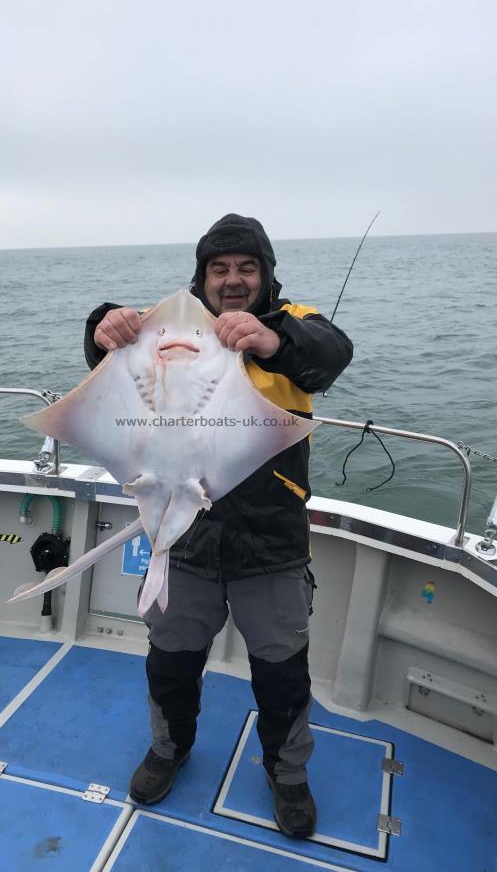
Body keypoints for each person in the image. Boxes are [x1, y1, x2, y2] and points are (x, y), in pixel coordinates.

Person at [84, 214, 353, 839]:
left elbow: (330, 353)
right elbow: (107, 353)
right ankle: (169, 747)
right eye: (219, 269)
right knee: (171, 660)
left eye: (246, 268)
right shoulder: (170, 326)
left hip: (272, 543)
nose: (232, 281)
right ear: (202, 275)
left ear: (266, 275)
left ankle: (288, 775)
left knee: (282, 671)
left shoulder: (293, 322)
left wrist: (271, 339)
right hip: (184, 538)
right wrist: (101, 324)